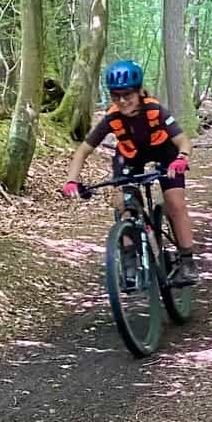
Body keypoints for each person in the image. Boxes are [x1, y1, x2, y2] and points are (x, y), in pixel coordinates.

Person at [61, 59, 199, 286]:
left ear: (139, 92)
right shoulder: (112, 117)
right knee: (124, 203)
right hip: (130, 156)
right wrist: (71, 181)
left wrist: (181, 159)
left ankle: (187, 261)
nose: (122, 101)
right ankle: (129, 263)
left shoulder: (156, 110)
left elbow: (183, 141)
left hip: (165, 153)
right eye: (116, 96)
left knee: (175, 203)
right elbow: (83, 150)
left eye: (128, 95)